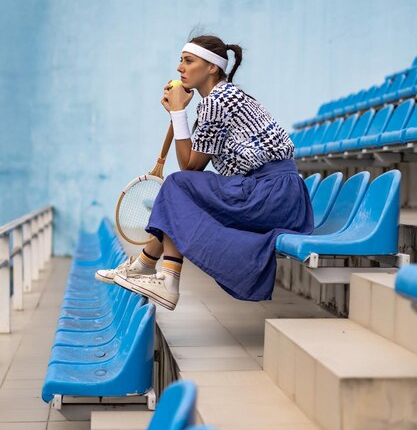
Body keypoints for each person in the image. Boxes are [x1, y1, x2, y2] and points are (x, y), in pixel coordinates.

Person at [96, 34, 314, 310]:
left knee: (178, 185)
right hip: (279, 195)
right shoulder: (219, 99)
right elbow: (192, 164)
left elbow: (190, 165)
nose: (180, 68)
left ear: (211, 67)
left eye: (188, 61)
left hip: (271, 195)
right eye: (180, 61)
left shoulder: (218, 100)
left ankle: (156, 274)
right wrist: (179, 113)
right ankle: (150, 269)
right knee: (181, 189)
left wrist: (177, 113)